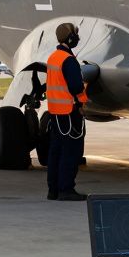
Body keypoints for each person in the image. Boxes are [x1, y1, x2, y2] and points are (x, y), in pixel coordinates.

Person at [45, 22, 87, 201]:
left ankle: (53, 189)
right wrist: (86, 86)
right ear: (70, 38)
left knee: (56, 151)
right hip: (70, 112)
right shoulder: (68, 60)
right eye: (75, 34)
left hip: (55, 111)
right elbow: (76, 86)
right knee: (71, 152)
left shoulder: (53, 57)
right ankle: (66, 188)